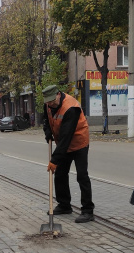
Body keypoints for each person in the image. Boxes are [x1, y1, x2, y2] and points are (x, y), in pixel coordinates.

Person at [41, 85, 94, 223]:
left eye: (52, 101)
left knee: (82, 175)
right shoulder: (47, 105)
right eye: (48, 102)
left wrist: (54, 159)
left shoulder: (71, 107)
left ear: (59, 94)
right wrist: (48, 134)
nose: (50, 104)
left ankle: (88, 210)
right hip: (63, 143)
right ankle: (64, 205)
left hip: (78, 142)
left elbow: (66, 136)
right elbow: (46, 121)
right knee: (60, 174)